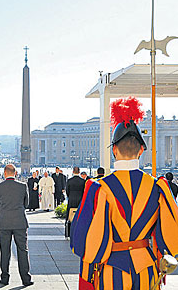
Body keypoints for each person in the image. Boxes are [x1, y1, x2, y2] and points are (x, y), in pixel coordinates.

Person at [70, 97, 178, 289]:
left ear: (114, 151)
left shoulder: (99, 188)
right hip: (146, 269)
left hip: (111, 269)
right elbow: (171, 235)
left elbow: (82, 240)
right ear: (141, 150)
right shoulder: (158, 187)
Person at [0, 164, 33, 287]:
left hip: (4, 222)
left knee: (5, 251)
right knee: (22, 250)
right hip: (19, 222)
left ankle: (4, 278)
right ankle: (25, 279)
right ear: (15, 173)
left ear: (5, 173)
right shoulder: (22, 186)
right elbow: (26, 203)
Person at [65, 167, 85, 237]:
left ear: (73, 171)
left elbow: (67, 191)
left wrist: (70, 196)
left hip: (71, 199)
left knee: (69, 216)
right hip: (80, 199)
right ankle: (80, 232)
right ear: (79, 172)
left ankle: (68, 233)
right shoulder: (82, 181)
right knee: (80, 215)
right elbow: (84, 191)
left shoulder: (70, 181)